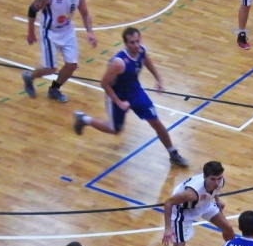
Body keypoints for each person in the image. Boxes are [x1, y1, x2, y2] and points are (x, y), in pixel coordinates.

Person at [72, 27, 188, 166]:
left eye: (138, 41)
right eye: (132, 42)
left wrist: (158, 79)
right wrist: (119, 103)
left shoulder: (141, 51)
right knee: (115, 130)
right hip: (118, 95)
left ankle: (173, 153)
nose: (136, 45)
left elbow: (147, 61)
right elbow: (104, 84)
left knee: (156, 121)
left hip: (135, 91)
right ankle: (84, 119)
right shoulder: (119, 63)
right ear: (126, 43)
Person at [22, 0, 97, 103]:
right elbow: (32, 10)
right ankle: (29, 76)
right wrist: (31, 32)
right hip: (49, 32)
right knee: (50, 69)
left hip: (67, 30)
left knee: (72, 65)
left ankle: (54, 89)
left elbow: (85, 14)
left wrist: (90, 32)